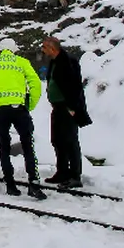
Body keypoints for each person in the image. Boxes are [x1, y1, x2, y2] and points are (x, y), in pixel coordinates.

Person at [0, 37, 46, 200]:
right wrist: (29, 105)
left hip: (0, 110)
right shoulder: (21, 62)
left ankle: (10, 184)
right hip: (19, 108)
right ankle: (34, 183)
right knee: (27, 145)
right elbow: (35, 84)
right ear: (14, 50)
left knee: (4, 146)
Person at [40, 36, 91, 188]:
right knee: (57, 140)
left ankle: (75, 175)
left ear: (52, 48)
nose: (43, 50)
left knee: (70, 141)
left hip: (67, 107)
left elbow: (74, 86)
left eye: (44, 47)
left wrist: (73, 107)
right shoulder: (54, 61)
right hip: (57, 107)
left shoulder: (67, 61)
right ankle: (62, 171)